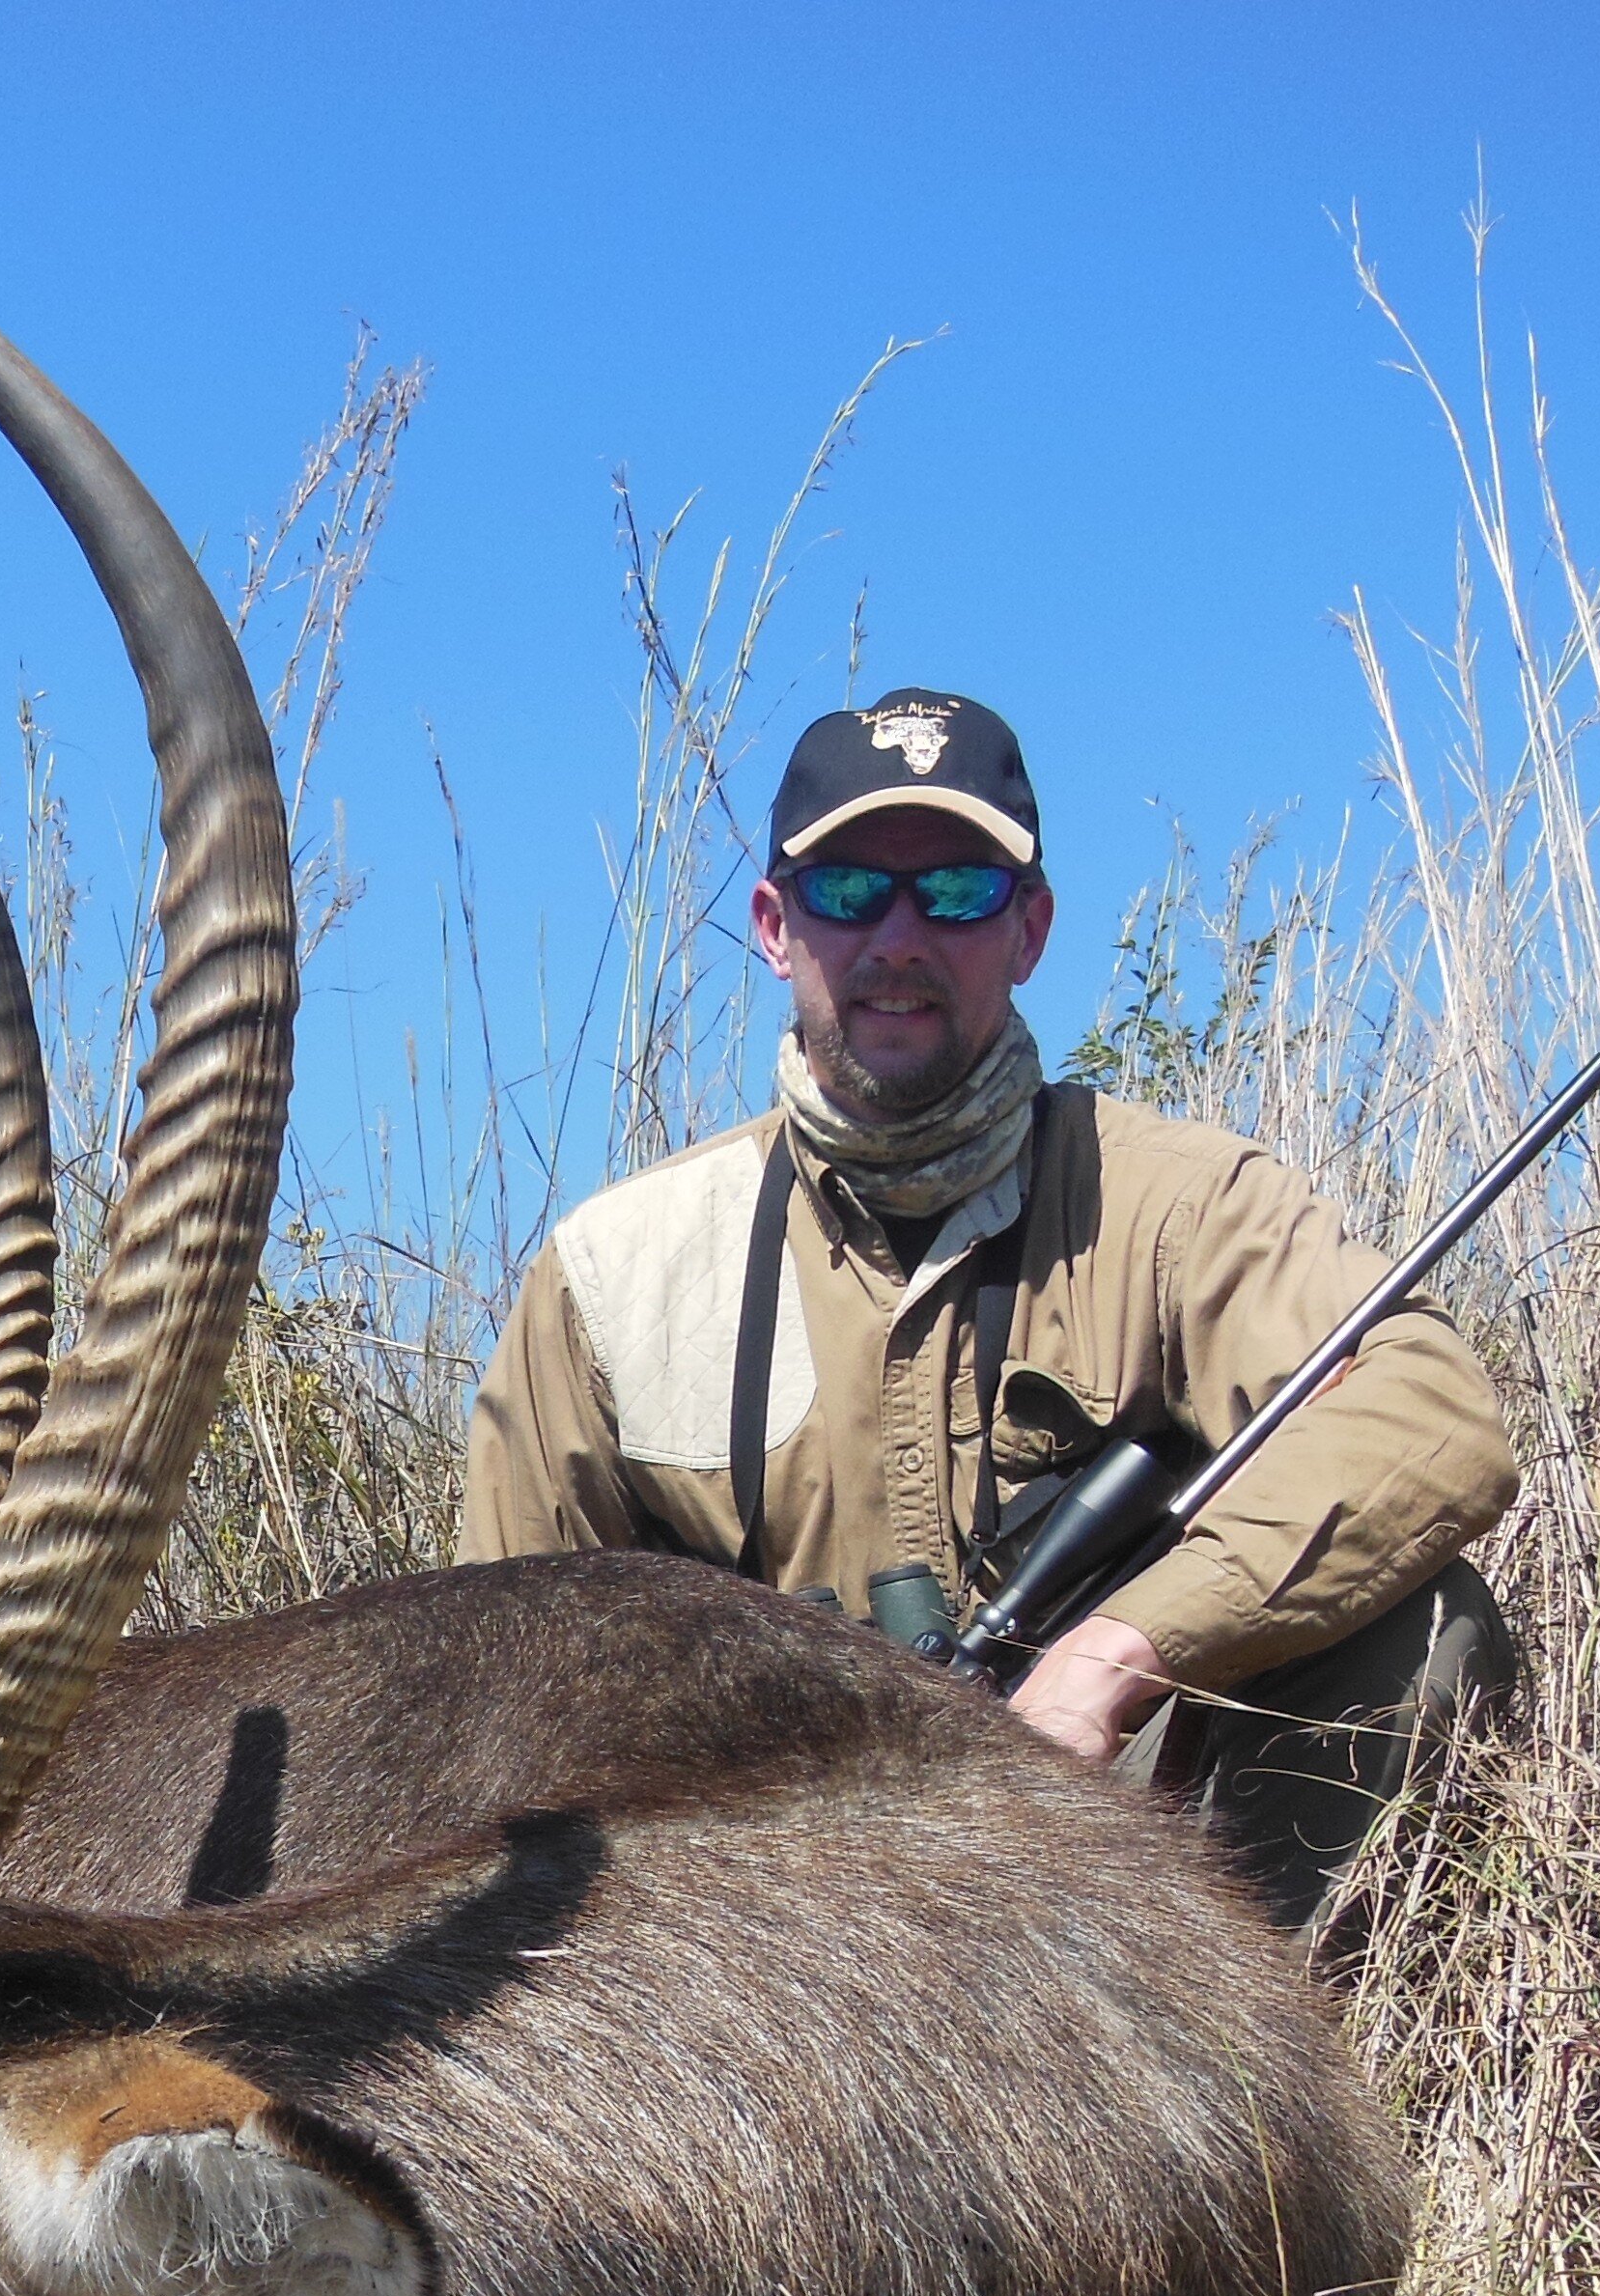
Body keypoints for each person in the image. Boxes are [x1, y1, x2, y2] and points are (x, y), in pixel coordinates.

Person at [461, 687, 1519, 1930]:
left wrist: (1116, 1654)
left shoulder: (1183, 1204)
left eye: (955, 891)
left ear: (1029, 930)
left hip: (1103, 1835)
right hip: (745, 1925)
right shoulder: (610, 1276)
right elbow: (498, 1679)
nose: (898, 936)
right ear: (772, 925)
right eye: (848, 890)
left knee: (1428, 1626)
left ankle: (1247, 2098)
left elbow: (1429, 1416)